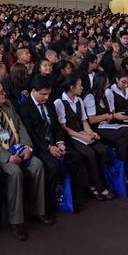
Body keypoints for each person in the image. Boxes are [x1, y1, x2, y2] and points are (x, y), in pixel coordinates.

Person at [0, 81, 51, 241]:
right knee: (14, 172)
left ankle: (38, 210)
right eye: (1, 92)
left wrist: (28, 146)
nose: (5, 94)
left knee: (37, 165)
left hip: (18, 148)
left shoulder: (7, 105)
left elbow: (20, 126)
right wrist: (8, 157)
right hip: (0, 155)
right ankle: (16, 222)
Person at [18, 75, 89, 215]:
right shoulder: (25, 107)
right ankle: (46, 207)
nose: (46, 97)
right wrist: (49, 147)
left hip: (53, 142)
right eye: (43, 94)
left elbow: (56, 126)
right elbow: (31, 134)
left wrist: (59, 142)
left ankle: (74, 198)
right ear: (34, 91)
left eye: (48, 94)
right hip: (38, 146)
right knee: (52, 166)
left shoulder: (49, 103)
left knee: (76, 158)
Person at [54, 75, 113, 201]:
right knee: (90, 154)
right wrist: (82, 136)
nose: (82, 87)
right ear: (72, 87)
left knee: (102, 149)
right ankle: (97, 187)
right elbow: (64, 128)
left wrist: (91, 133)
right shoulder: (59, 103)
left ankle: (100, 181)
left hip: (82, 133)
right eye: (80, 85)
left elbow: (85, 121)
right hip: (71, 137)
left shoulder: (79, 100)